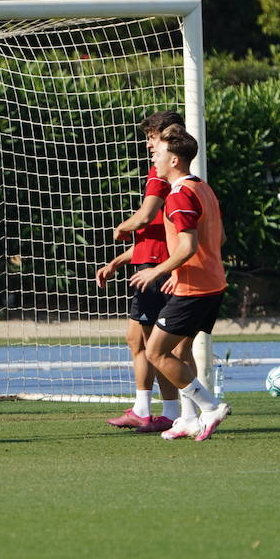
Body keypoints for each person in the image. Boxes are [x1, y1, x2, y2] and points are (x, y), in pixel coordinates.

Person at [128, 125, 232, 442]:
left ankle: (209, 407)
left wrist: (156, 271)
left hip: (194, 290)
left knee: (156, 351)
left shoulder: (178, 195)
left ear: (174, 160)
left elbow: (187, 246)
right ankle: (187, 418)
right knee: (179, 351)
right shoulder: (202, 187)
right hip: (210, 284)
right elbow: (218, 239)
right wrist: (178, 273)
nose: (154, 158)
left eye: (158, 153)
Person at [95, 110, 188, 434]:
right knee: (140, 340)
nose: (149, 144)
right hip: (149, 263)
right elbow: (151, 236)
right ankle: (149, 409)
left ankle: (171, 411)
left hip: (156, 269)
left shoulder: (162, 174)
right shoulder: (170, 176)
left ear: (168, 137)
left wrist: (123, 227)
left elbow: (146, 217)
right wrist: (117, 262)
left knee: (157, 346)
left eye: (152, 138)